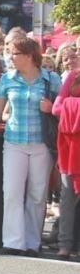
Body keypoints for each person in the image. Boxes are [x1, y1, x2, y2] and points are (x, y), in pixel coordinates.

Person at [0, 36, 60, 256]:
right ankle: (13, 242)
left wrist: (51, 108)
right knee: (11, 192)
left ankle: (32, 243)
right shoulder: (8, 79)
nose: (10, 57)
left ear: (29, 56)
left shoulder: (51, 79)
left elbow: (61, 109)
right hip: (14, 142)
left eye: (15, 53)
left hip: (41, 144)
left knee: (37, 195)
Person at [52, 63, 80, 260]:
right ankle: (65, 245)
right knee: (67, 197)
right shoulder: (73, 76)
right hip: (71, 147)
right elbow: (57, 108)